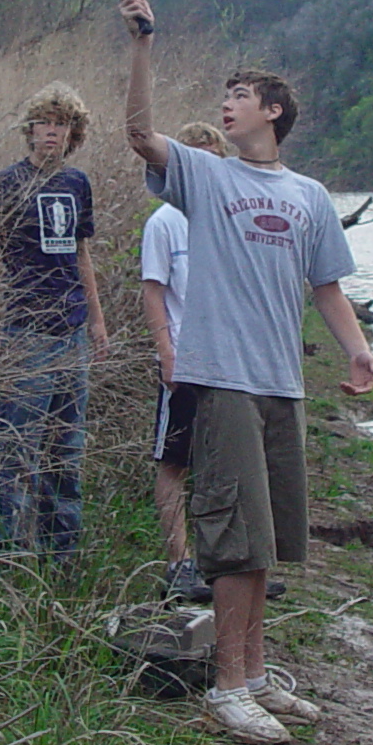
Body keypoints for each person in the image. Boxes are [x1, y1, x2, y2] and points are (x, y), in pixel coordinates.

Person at [117, 0, 373, 745]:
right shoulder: (205, 173)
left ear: (274, 114)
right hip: (221, 379)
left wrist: (357, 349)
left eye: (241, 96)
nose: (226, 105)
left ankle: (257, 675)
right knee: (231, 542)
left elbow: (325, 285)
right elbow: (137, 134)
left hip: (282, 386)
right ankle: (227, 688)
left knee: (266, 543)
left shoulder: (309, 196)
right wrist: (141, 43)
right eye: (225, 95)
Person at [0, 83, 110, 556]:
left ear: (74, 134)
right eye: (44, 124)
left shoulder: (77, 184)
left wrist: (96, 318)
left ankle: (61, 556)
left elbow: (82, 252)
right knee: (19, 449)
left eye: (62, 124)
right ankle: (10, 556)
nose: (52, 132)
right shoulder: (7, 182)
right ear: (29, 131)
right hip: (27, 331)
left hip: (72, 334)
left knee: (67, 451)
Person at [142, 120, 229, 603]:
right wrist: (166, 354)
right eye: (193, 156)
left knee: (225, 464)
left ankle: (226, 562)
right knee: (174, 461)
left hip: (231, 362)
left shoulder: (230, 218)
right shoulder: (165, 222)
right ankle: (178, 561)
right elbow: (153, 290)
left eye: (210, 155)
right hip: (185, 361)